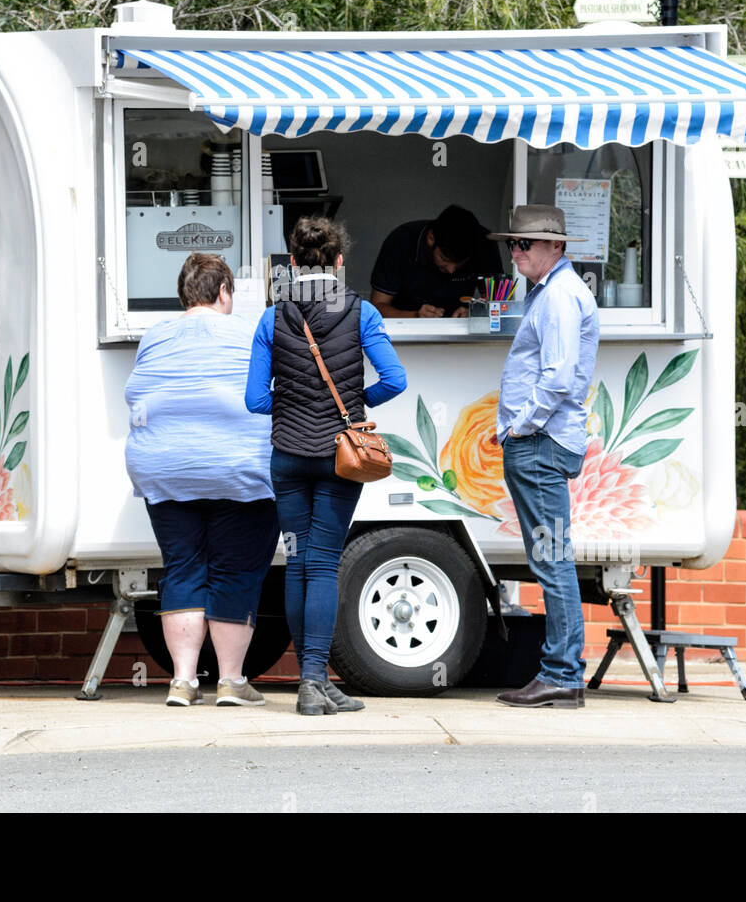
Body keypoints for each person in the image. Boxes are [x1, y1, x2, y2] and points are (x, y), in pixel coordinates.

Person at [246, 217, 407, 715]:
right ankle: (314, 680)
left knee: (297, 561)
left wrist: (293, 406)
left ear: (291, 263)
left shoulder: (272, 318)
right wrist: (353, 406)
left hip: (288, 461)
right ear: (340, 262)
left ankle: (310, 680)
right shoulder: (360, 312)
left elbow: (254, 400)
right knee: (323, 564)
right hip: (340, 461)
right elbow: (395, 380)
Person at [124, 253, 281, 708]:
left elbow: (136, 392)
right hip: (240, 469)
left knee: (183, 568)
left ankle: (183, 682)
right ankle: (231, 681)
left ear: (185, 295)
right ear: (224, 292)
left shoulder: (155, 335)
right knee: (235, 571)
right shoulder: (251, 330)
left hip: (165, 468)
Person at [490, 204, 599, 709]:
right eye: (512, 243)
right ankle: (563, 672)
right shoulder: (552, 292)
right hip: (541, 442)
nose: (516, 252)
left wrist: (520, 426)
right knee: (551, 556)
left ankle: (561, 672)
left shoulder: (558, 296)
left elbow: (557, 376)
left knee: (551, 559)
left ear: (556, 246)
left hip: (540, 444)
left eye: (525, 244)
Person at [369, 204, 504, 319]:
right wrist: (415, 316)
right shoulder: (402, 241)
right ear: (431, 239)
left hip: (462, 335)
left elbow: (498, 305)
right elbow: (377, 307)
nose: (451, 270)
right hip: (406, 331)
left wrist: (475, 315)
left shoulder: (483, 243)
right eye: (444, 259)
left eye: (460, 264)